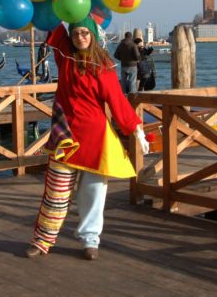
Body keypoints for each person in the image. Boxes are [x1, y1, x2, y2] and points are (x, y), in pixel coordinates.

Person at [25, 17, 150, 261]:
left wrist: (137, 130)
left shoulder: (104, 65)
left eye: (85, 33)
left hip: (95, 138)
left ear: (92, 35)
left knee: (93, 195)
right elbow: (52, 22)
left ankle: (90, 240)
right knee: (55, 194)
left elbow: (117, 100)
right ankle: (42, 241)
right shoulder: (64, 56)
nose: (80, 37)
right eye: (76, 34)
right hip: (66, 136)